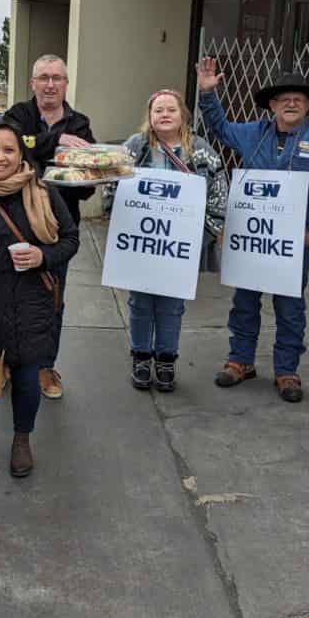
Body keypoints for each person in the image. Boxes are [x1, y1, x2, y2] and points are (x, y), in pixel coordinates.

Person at [196, 60, 309, 402]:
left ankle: (286, 371)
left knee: (290, 309)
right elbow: (219, 128)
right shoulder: (254, 133)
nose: (291, 103)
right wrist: (208, 93)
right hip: (251, 243)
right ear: (272, 105)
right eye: (284, 99)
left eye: (298, 98)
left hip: (293, 246)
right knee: (244, 303)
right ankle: (240, 361)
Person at [0, 123, 79, 479]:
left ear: (21, 155)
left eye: (8, 150)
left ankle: (22, 439)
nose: (0, 157)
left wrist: (43, 256)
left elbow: (70, 238)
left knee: (26, 378)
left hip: (32, 302)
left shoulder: (41, 190)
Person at [102, 90, 227, 392]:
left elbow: (219, 196)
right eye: (158, 110)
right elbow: (111, 185)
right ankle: (141, 357)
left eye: (171, 109)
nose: (165, 115)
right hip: (143, 244)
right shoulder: (135, 147)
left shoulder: (201, 151)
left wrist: (203, 236)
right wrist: (118, 222)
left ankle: (167, 359)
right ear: (150, 117)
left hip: (178, 250)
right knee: (140, 303)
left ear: (183, 114)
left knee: (172, 305)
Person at [3, 54, 95, 400]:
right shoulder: (18, 116)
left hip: (58, 228)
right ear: (33, 83)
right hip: (13, 222)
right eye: (44, 77)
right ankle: (7, 362)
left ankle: (44, 365)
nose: (51, 84)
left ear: (66, 84)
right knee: (7, 296)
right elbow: (13, 147)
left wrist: (81, 173)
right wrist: (54, 145)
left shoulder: (80, 123)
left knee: (51, 299)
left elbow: (86, 184)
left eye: (57, 78)